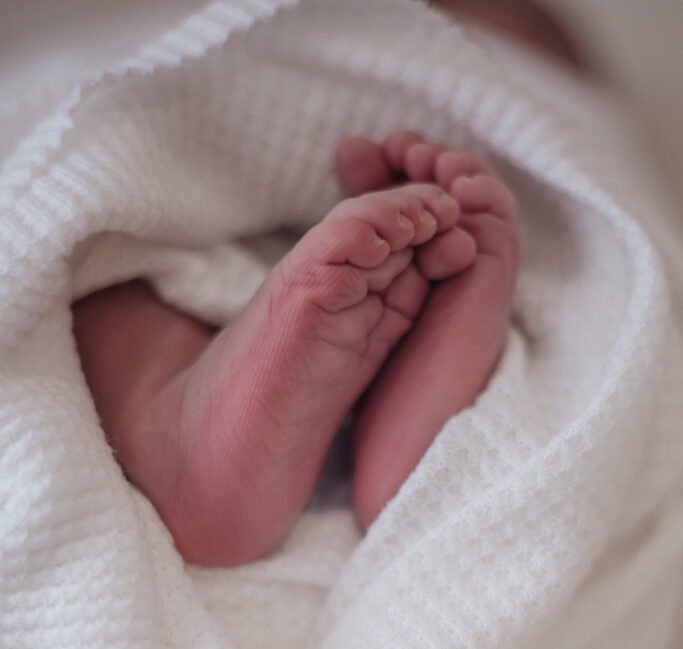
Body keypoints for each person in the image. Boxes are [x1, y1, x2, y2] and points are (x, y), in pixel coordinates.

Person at [72, 0, 580, 568]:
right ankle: (431, 464)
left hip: (203, 174)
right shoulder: (549, 82)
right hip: (531, 121)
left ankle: (163, 413)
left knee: (104, 256)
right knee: (107, 248)